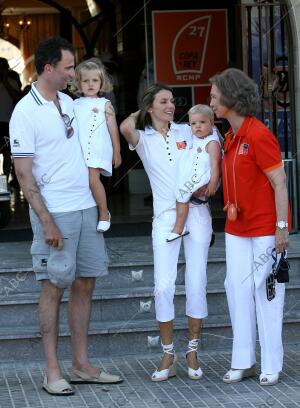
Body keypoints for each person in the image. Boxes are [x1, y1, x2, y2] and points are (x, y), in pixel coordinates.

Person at [9, 37, 122, 396]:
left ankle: (81, 364)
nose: (75, 73)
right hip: (54, 211)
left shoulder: (71, 103)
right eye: (69, 67)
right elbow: (24, 175)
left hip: (85, 205)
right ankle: (52, 370)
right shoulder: (24, 112)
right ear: (49, 69)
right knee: (53, 287)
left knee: (86, 281)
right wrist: (45, 220)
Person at [120, 83, 220, 382]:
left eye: (172, 102)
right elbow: (126, 126)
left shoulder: (187, 130)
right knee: (163, 286)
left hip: (197, 213)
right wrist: (150, 108)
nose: (171, 106)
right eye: (163, 102)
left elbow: (212, 140)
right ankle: (168, 353)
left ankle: (192, 350)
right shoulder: (143, 137)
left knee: (196, 281)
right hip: (165, 216)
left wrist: (209, 184)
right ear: (150, 106)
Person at [209, 68, 289, 386]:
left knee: (266, 291)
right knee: (236, 288)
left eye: (215, 96)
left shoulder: (258, 134)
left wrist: (282, 227)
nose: (211, 101)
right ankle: (243, 360)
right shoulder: (230, 136)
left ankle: (272, 363)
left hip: (264, 227)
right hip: (236, 227)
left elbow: (280, 183)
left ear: (230, 97)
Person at [72, 60, 121, 232]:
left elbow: (113, 128)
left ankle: (103, 212)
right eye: (85, 81)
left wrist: (117, 151)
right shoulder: (74, 105)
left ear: (101, 83)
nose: (90, 84)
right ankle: (89, 212)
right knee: (83, 181)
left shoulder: (105, 104)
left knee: (93, 179)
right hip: (80, 149)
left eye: (95, 80)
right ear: (78, 83)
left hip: (98, 147)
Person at [167, 104, 221, 242]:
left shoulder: (212, 143)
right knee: (181, 197)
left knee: (182, 196)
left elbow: (216, 165)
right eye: (193, 123)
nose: (197, 126)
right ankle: (180, 227)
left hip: (202, 177)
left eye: (202, 122)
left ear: (212, 123)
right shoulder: (195, 138)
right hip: (194, 175)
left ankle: (178, 228)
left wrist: (213, 184)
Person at [0, 57, 21, 182]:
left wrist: (5, 81)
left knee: (7, 153)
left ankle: (4, 183)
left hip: (7, 123)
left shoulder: (12, 82)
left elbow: (17, 98)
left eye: (2, 67)